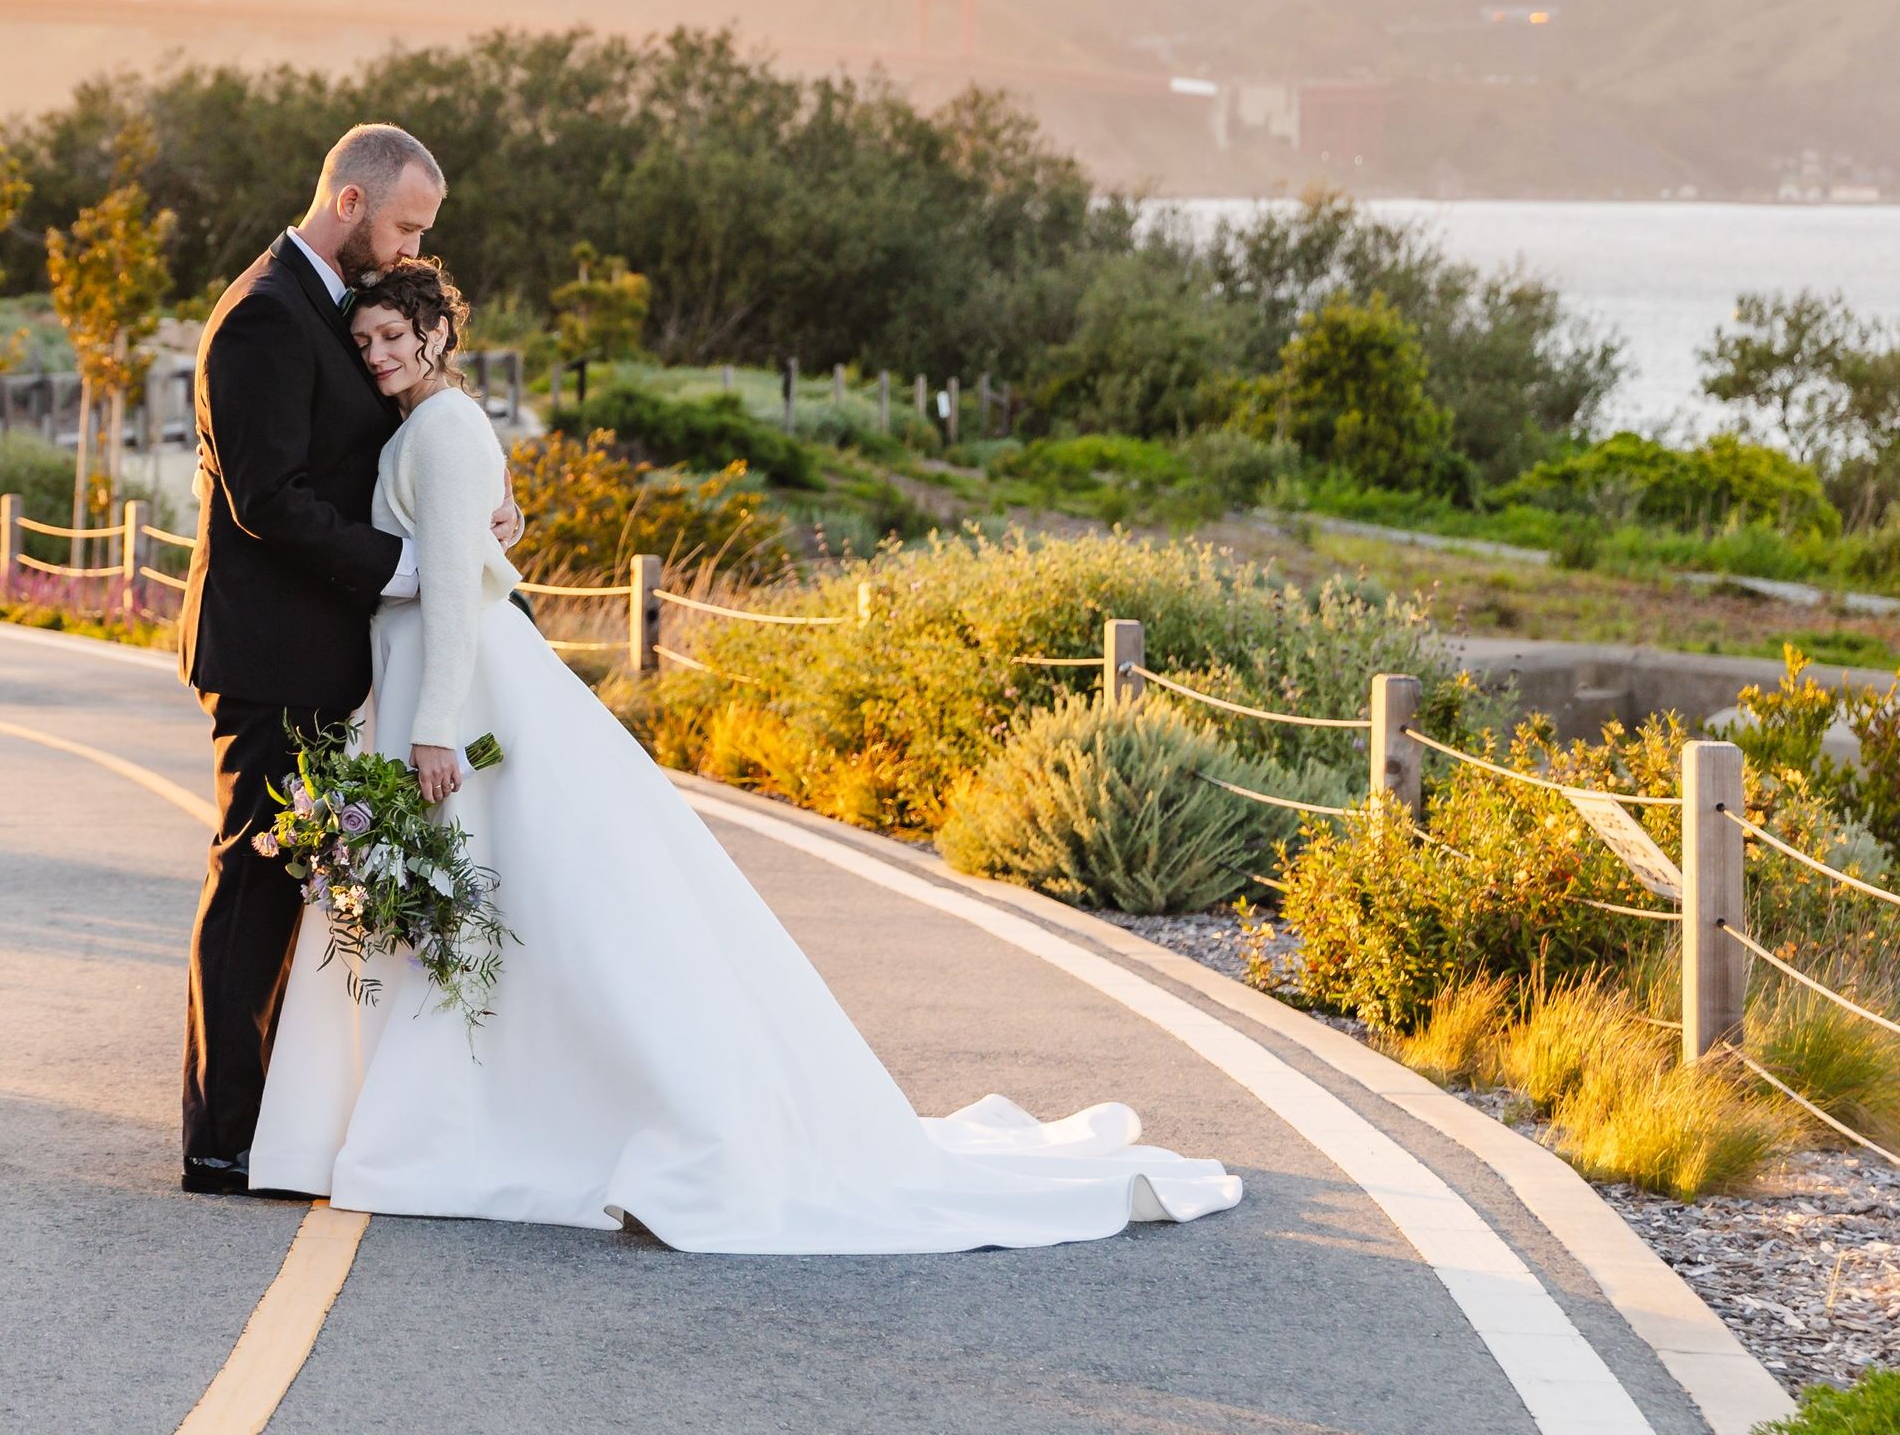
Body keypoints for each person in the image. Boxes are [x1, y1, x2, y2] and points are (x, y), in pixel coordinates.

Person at [245, 258, 1243, 1251]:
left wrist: (433, 722)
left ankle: (488, 1118)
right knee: (490, 897)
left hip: (459, 687)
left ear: (436, 336)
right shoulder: (425, 423)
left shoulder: (447, 426)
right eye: (364, 340)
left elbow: (461, 584)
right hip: (431, 671)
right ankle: (457, 1111)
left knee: (503, 892)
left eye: (392, 337)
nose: (376, 354)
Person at [177, 124, 520, 1196]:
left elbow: (382, 446)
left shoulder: (328, 306)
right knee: (255, 878)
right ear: (354, 198)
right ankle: (220, 1135)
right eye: (409, 223)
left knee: (292, 877)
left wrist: (478, 500)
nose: (416, 245)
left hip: (324, 648)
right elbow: (267, 497)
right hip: (272, 650)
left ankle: (273, 1113)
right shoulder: (265, 314)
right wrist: (410, 565)